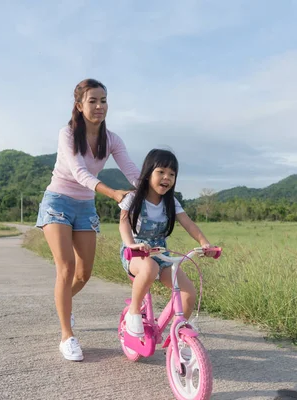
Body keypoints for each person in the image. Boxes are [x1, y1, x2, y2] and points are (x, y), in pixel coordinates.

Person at [36, 78, 141, 361]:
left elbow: (131, 170)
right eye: (92, 101)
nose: (99, 106)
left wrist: (153, 191)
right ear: (79, 105)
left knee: (84, 274)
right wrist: (114, 194)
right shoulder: (68, 134)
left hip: (85, 207)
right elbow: (81, 173)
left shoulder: (112, 140)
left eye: (103, 100)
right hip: (58, 202)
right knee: (66, 268)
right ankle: (67, 334)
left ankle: (62, 304)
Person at [118, 149, 217, 337]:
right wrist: (131, 244)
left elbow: (189, 224)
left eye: (172, 174)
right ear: (148, 174)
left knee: (188, 292)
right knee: (149, 269)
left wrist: (204, 242)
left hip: (161, 253)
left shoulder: (171, 202)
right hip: (136, 253)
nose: (167, 177)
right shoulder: (133, 198)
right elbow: (123, 223)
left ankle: (178, 334)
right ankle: (134, 312)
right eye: (161, 172)